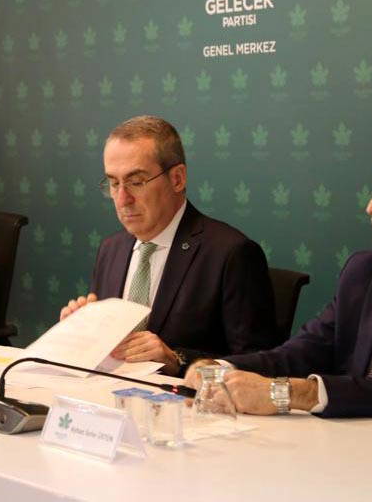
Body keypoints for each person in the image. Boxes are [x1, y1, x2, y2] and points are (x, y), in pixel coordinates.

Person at [184, 130, 372, 436]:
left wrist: (292, 393)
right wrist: (222, 369)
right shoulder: (366, 270)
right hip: (355, 442)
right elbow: (303, 352)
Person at [60, 116, 276, 376]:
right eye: (114, 183)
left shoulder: (232, 253)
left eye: (136, 182)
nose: (122, 199)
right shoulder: (111, 249)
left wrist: (177, 359)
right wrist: (82, 331)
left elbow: (259, 367)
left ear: (177, 179)